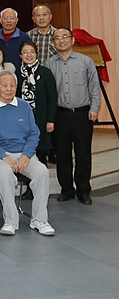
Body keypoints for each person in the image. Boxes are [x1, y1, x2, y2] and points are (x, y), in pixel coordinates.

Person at [0, 71, 54, 236]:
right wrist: (5, 157)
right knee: (4, 173)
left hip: (23, 153)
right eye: (4, 85)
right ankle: (11, 221)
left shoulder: (24, 106)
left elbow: (34, 133)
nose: (8, 89)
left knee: (42, 171)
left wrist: (26, 155)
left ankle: (39, 219)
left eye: (12, 85)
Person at [45, 27, 101, 205]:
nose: (61, 40)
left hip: (82, 114)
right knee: (62, 155)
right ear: (53, 43)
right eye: (57, 38)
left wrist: (95, 107)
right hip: (60, 115)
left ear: (72, 40)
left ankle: (83, 191)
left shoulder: (86, 61)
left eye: (65, 37)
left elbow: (94, 86)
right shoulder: (48, 64)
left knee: (83, 155)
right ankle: (67, 190)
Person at [16, 41, 58, 165]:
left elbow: (52, 97)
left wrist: (50, 120)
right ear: (20, 55)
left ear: (36, 54)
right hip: (23, 118)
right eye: (25, 52)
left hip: (41, 118)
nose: (29, 55)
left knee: (40, 150)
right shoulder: (17, 73)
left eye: (32, 52)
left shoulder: (45, 72)